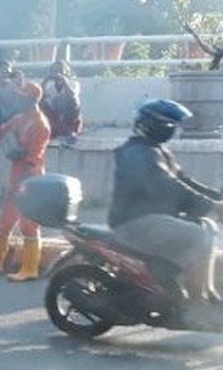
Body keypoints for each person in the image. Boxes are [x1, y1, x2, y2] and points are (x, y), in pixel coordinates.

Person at [110, 99, 223, 304]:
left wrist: (217, 198)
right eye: (168, 125)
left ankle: (208, 292)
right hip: (134, 222)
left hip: (156, 217)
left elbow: (185, 181)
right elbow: (168, 187)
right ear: (150, 124)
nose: (172, 130)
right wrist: (211, 205)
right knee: (198, 236)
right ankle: (197, 304)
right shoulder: (136, 153)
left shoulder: (157, 150)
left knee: (209, 228)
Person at [0, 80, 51, 282]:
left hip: (31, 181)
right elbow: (0, 133)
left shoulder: (40, 124)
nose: (17, 99)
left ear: (31, 99)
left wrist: (21, 180)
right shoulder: (19, 119)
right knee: (3, 223)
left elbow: (34, 156)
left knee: (29, 226)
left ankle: (30, 268)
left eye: (21, 97)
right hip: (16, 179)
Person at [40, 60, 83, 142]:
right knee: (42, 103)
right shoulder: (49, 85)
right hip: (54, 116)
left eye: (60, 70)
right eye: (55, 71)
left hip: (69, 118)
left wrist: (64, 81)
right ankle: (53, 129)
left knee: (74, 100)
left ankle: (69, 130)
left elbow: (72, 96)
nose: (57, 73)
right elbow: (37, 95)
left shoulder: (73, 83)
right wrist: (45, 80)